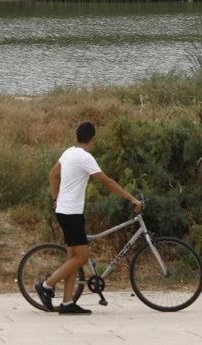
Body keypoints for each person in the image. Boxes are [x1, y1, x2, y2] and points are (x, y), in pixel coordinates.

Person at [34, 121, 142, 315]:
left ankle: (67, 304)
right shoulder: (85, 157)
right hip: (71, 213)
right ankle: (46, 285)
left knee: (73, 258)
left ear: (77, 137)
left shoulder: (68, 153)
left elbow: (53, 174)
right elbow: (107, 182)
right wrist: (131, 198)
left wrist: (55, 198)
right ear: (93, 139)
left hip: (65, 211)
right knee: (82, 257)